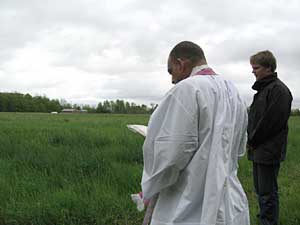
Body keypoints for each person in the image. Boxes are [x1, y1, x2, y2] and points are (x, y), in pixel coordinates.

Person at [140, 41, 250, 225]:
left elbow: (171, 155)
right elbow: (239, 148)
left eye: (170, 70)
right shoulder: (234, 93)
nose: (172, 79)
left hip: (189, 206)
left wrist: (150, 186)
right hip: (231, 202)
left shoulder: (187, 89)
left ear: (180, 63)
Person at [247, 50, 293, 225]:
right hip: (259, 149)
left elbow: (270, 123)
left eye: (256, 68)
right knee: (261, 190)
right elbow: (255, 120)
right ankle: (264, 219)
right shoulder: (264, 90)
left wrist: (252, 141)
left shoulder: (279, 91)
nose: (253, 71)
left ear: (269, 68)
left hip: (268, 150)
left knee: (267, 192)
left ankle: (269, 222)